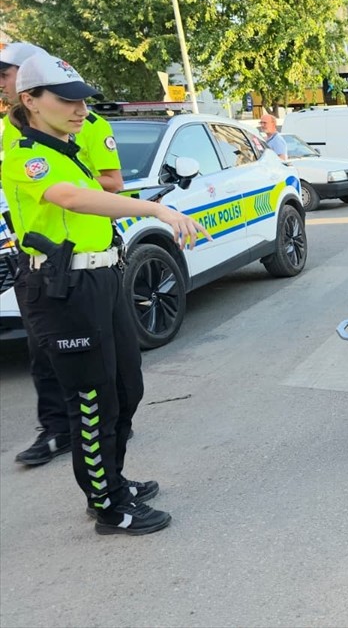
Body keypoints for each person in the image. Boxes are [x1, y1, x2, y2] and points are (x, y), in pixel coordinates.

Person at [1, 53, 209, 535]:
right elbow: (74, 198)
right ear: (30, 101)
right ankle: (108, 506)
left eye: (82, 100)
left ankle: (113, 480)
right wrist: (154, 210)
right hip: (63, 288)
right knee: (92, 400)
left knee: (125, 386)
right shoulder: (25, 156)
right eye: (66, 100)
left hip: (101, 278)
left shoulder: (70, 148)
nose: (80, 109)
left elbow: (101, 192)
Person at [1, 42, 126, 467]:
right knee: (61, 370)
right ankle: (69, 444)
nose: (3, 82)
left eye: (7, 73)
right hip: (48, 268)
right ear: (30, 101)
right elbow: (44, 187)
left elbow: (107, 184)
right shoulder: (18, 141)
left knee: (112, 383)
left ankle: (109, 469)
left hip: (91, 267)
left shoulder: (80, 130)